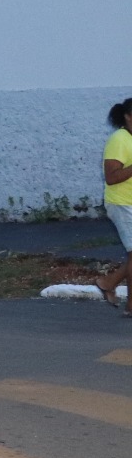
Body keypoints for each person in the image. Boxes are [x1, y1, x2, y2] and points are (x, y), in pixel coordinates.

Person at [94, 97, 132, 315]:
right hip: (122, 204)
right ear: (127, 116)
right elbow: (112, 177)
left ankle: (109, 282)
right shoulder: (119, 139)